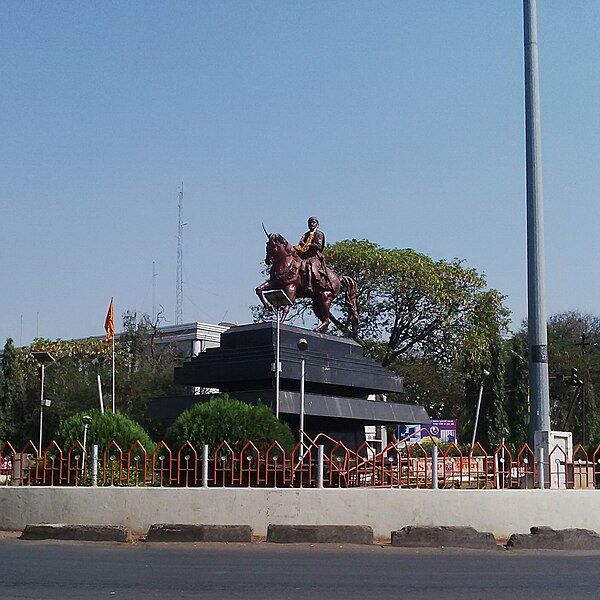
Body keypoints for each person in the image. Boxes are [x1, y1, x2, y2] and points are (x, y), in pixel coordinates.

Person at [293, 216, 332, 293]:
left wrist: (307, 244)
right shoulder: (305, 234)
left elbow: (319, 246)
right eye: (310, 223)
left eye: (313, 222)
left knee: (310, 267)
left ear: (317, 224)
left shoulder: (319, 234)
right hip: (304, 255)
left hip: (314, 256)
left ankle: (313, 284)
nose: (311, 224)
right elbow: (301, 246)